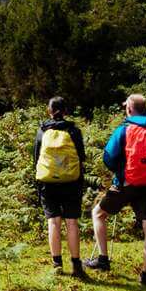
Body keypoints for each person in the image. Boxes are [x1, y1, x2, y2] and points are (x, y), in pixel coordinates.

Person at [84, 94, 146, 285]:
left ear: (129, 109)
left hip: (127, 182)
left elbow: (108, 157)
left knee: (98, 214)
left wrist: (120, 170)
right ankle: (145, 275)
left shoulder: (125, 129)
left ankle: (103, 259)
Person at [33, 96, 88, 277]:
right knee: (72, 222)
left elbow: (36, 159)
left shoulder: (41, 131)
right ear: (66, 111)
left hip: (48, 183)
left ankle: (57, 265)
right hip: (71, 182)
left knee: (53, 222)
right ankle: (76, 266)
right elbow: (81, 157)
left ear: (49, 111)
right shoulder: (74, 131)